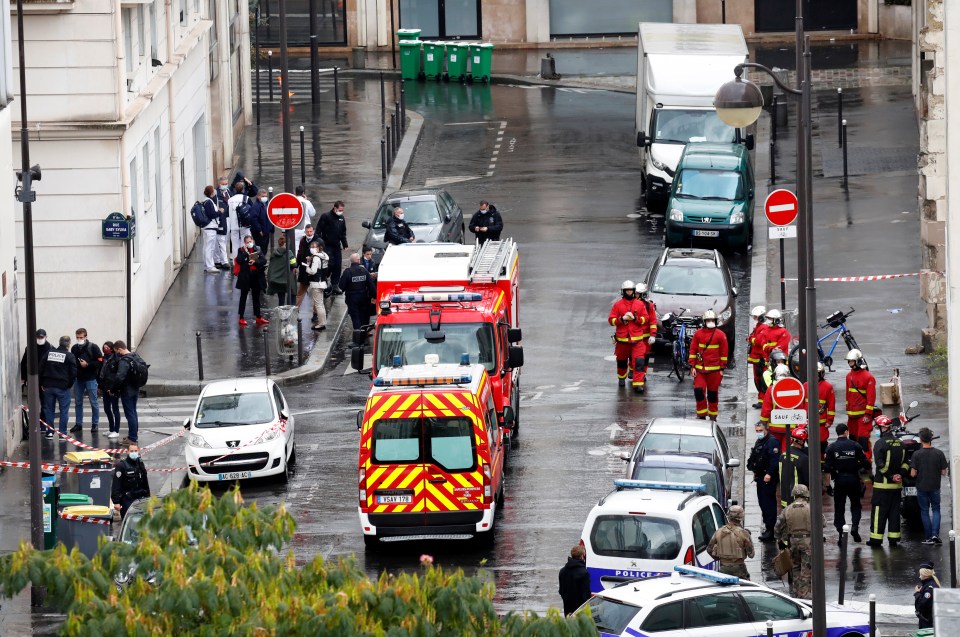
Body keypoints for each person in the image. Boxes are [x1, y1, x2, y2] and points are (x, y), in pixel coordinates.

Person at [824, 423, 871, 544]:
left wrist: (828, 485)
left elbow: (827, 469)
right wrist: (867, 477)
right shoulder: (855, 445)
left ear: (837, 433)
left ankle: (841, 534)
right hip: (853, 479)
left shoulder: (831, 448)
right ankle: (855, 527)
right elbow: (867, 464)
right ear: (846, 432)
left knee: (839, 508)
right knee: (855, 505)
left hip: (839, 480)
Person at [774, 484, 822, 599]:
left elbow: (777, 527)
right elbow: (822, 523)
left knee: (795, 568)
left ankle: (795, 593)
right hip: (807, 541)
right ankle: (804, 595)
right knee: (806, 570)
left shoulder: (788, 509)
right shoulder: (811, 508)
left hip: (793, 541)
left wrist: (779, 539)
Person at [867, 415, 907, 547]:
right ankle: (893, 539)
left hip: (882, 487)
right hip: (896, 487)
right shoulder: (900, 443)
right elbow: (906, 463)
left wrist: (891, 476)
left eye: (877, 428)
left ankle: (876, 539)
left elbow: (880, 464)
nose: (876, 430)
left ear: (883, 427)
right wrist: (899, 475)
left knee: (879, 512)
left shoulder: (880, 443)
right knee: (894, 512)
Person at [607, 280, 650, 392]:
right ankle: (621, 378)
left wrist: (635, 319)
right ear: (623, 291)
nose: (629, 292)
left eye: (631, 290)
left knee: (639, 362)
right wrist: (622, 319)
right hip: (622, 341)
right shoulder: (618, 305)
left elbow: (646, 319)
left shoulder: (640, 304)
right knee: (621, 361)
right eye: (627, 290)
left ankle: (638, 384)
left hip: (637, 341)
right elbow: (611, 320)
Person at [911, 427, 949, 545]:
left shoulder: (916, 454)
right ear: (930, 438)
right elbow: (943, 472)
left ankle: (928, 537)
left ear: (921, 439)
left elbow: (913, 474)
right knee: (936, 509)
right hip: (935, 486)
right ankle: (935, 535)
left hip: (921, 486)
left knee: (924, 511)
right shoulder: (939, 453)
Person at [688, 309, 728, 420]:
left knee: (712, 394)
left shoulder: (720, 335)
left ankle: (713, 415)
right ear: (704, 321)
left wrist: (722, 368)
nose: (710, 322)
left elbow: (724, 353)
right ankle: (701, 414)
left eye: (712, 320)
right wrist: (692, 366)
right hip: (700, 370)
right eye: (708, 320)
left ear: (715, 321)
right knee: (699, 391)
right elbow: (693, 350)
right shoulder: (698, 334)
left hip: (714, 371)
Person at [747, 421, 781, 542]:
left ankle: (770, 530)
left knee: (768, 504)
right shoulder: (760, 441)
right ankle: (767, 527)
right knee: (763, 502)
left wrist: (769, 474)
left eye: (760, 431)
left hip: (768, 478)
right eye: (757, 431)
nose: (758, 433)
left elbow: (774, 460)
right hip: (761, 477)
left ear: (766, 429)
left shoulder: (772, 442)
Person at [39, 335, 78, 438]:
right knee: (64, 411)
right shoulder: (69, 356)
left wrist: (42, 383)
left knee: (49, 410)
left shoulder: (49, 353)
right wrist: (69, 385)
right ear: (69, 344)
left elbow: (41, 368)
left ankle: (50, 432)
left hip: (48, 386)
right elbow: (73, 373)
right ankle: (62, 434)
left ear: (59, 342)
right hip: (63, 387)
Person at [845, 348, 877, 457]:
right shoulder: (848, 376)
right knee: (853, 439)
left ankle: (867, 463)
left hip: (863, 416)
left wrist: (868, 414)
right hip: (852, 416)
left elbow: (871, 398)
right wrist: (848, 411)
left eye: (852, 361)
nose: (850, 364)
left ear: (858, 361)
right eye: (849, 361)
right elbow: (848, 395)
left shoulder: (868, 377)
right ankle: (856, 462)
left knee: (863, 440)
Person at [707, 505, 754, 579]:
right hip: (740, 569)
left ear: (728, 516)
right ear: (741, 518)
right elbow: (751, 555)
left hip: (723, 569)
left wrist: (718, 557)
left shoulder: (718, 532)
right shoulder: (744, 533)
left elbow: (709, 550)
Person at [70, 328, 103, 434]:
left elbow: (100, 362)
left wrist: (88, 365)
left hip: (90, 378)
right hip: (78, 379)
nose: (79, 339)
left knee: (93, 402)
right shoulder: (74, 348)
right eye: (77, 337)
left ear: (86, 337)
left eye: (81, 337)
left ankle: (95, 424)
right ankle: (78, 424)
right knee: (78, 402)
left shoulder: (93, 347)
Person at [804, 361, 836, 460]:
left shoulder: (827, 386)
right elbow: (801, 404)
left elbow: (831, 405)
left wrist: (829, 420)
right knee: (809, 443)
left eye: (818, 373)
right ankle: (813, 463)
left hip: (821, 424)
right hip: (807, 423)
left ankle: (822, 464)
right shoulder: (805, 385)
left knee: (822, 444)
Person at [113, 340, 143, 445]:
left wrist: (113, 389)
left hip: (127, 390)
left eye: (116, 351)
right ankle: (133, 435)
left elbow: (120, 377)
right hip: (135, 388)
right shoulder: (135, 356)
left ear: (119, 349)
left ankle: (133, 439)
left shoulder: (124, 361)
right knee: (133, 412)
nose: (117, 353)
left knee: (130, 414)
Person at [236, 235, 269, 327]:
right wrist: (245, 253)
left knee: (256, 297)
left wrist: (255, 262)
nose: (249, 243)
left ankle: (258, 316)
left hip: (256, 275)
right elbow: (238, 260)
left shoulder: (258, 249)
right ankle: (241, 317)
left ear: (253, 241)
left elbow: (264, 260)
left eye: (250, 241)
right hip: (246, 276)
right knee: (243, 297)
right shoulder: (241, 250)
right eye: (247, 242)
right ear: (245, 243)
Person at [317, 199, 348, 294]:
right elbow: (318, 230)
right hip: (327, 245)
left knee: (338, 266)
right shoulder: (326, 216)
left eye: (342, 210)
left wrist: (345, 243)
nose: (341, 212)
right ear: (335, 208)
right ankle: (324, 279)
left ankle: (335, 285)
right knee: (330, 264)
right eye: (340, 210)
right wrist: (319, 244)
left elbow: (343, 232)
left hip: (336, 246)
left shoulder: (341, 218)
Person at [759, 362, 793, 451]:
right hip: (790, 427)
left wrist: (763, 424)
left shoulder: (771, 389)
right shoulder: (795, 389)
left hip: (774, 427)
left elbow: (766, 410)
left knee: (774, 452)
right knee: (786, 453)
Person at [111, 444, 149, 518]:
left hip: (140, 497)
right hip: (128, 499)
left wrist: (148, 496)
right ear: (127, 452)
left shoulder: (140, 463)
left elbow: (145, 481)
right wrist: (116, 502)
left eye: (135, 451)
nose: (134, 453)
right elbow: (116, 484)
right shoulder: (121, 465)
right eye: (131, 451)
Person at [339, 253, 376, 330]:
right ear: (358, 261)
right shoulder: (364, 271)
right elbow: (371, 285)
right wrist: (374, 296)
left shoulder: (347, 272)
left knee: (355, 317)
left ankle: (358, 335)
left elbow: (341, 286)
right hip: (364, 297)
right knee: (364, 316)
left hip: (351, 298)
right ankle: (364, 333)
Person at [778, 427, 810, 508]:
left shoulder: (783, 455)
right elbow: (808, 480)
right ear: (801, 441)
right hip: (798, 499)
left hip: (785, 498)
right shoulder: (803, 458)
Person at [21, 328, 51, 412]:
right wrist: (23, 378)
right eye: (38, 337)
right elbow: (23, 363)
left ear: (46, 337)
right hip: (31, 378)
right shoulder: (30, 348)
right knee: (31, 402)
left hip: (44, 380)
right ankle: (31, 422)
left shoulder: (50, 348)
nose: (40, 339)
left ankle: (43, 423)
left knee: (45, 403)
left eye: (42, 337)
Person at [634, 282, 657, 390]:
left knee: (645, 357)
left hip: (646, 337)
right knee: (636, 357)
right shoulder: (632, 304)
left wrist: (652, 335)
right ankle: (634, 373)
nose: (635, 295)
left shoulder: (649, 306)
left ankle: (643, 374)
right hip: (635, 336)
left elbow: (653, 321)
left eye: (638, 293)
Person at [303, 240, 330, 331]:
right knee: (320, 304)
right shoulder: (324, 256)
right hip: (322, 282)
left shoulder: (316, 258)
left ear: (318, 248)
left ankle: (321, 323)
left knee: (318, 305)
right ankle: (323, 322)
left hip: (316, 283)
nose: (312, 248)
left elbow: (313, 271)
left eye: (314, 247)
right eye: (312, 246)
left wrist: (307, 266)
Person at [558, 545, 590, 616]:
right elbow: (586, 595)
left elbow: (561, 591)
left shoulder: (562, 571)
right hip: (580, 610)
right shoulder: (584, 573)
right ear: (582, 556)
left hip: (567, 608)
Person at [99, 341, 122, 440]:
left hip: (113, 387)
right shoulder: (104, 358)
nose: (105, 348)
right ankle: (111, 428)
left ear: (112, 348)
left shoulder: (116, 358)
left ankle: (116, 430)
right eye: (104, 347)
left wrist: (114, 387)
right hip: (105, 386)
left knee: (115, 409)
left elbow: (117, 374)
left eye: (107, 347)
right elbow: (102, 373)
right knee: (107, 408)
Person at [747, 305, 768, 408]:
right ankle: (761, 400)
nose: (754, 319)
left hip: (760, 358)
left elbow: (758, 341)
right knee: (758, 380)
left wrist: (751, 339)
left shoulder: (763, 327)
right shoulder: (759, 326)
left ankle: (764, 400)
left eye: (756, 317)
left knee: (761, 380)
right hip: (756, 358)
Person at [267, 235, 296, 306]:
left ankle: (281, 314)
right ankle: (289, 314)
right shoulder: (289, 253)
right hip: (286, 279)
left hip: (277, 280)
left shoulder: (274, 253)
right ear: (286, 244)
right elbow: (294, 264)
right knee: (292, 294)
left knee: (281, 298)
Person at [200, 186, 223, 273]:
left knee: (206, 247)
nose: (215, 192)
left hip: (207, 227)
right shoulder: (209, 202)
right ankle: (210, 266)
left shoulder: (205, 201)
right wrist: (220, 211)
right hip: (210, 227)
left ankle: (207, 265)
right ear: (211, 192)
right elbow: (212, 214)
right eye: (213, 191)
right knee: (210, 247)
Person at [228, 180, 253, 257]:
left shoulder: (230, 200)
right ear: (243, 189)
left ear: (235, 189)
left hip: (233, 224)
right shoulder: (246, 198)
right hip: (244, 224)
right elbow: (251, 210)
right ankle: (246, 259)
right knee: (245, 242)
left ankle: (236, 262)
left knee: (235, 244)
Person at [295, 224, 319, 307]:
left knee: (315, 295)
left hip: (315, 271)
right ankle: (296, 311)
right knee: (300, 292)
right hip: (304, 269)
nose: (309, 233)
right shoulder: (303, 240)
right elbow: (300, 253)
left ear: (313, 231)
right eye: (307, 232)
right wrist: (296, 265)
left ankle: (315, 314)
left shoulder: (318, 240)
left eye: (310, 231)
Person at [914, 561, 940, 629]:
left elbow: (922, 605)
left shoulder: (929, 588)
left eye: (920, 574)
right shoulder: (929, 584)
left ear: (925, 574)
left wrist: (917, 593)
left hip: (927, 621)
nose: (919, 576)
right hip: (928, 619)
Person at [250, 188, 273, 255]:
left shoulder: (266, 204)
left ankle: (262, 261)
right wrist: (259, 230)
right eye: (263, 196)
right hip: (259, 232)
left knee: (265, 248)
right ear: (258, 196)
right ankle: (260, 263)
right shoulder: (256, 206)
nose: (265, 198)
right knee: (260, 248)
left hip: (266, 230)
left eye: (266, 196)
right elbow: (253, 219)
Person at [215, 177, 232, 265]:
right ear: (219, 184)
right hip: (221, 219)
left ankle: (221, 259)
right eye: (223, 184)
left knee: (225, 239)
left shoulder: (229, 192)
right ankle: (220, 260)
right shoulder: (216, 194)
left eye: (226, 184)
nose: (225, 186)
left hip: (228, 218)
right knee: (220, 240)